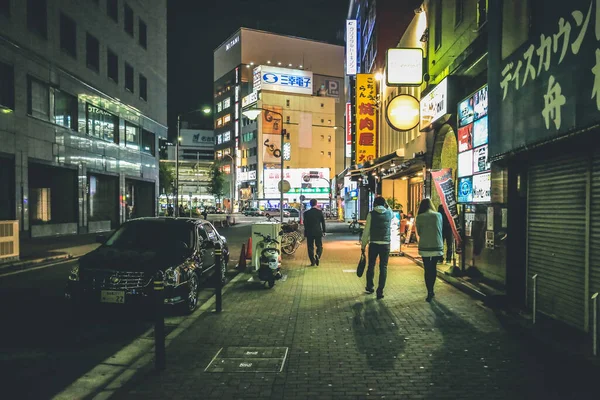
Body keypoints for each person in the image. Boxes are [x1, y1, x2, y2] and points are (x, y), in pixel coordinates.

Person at [361, 196, 392, 299]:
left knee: (371, 265)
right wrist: (387, 204)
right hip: (385, 244)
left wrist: (363, 245)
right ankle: (380, 291)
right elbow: (391, 212)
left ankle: (370, 286)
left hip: (374, 243)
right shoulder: (389, 213)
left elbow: (366, 231)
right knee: (383, 267)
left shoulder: (371, 214)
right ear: (384, 203)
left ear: (374, 203)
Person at [416, 199, 444, 302]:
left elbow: (419, 232)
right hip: (436, 245)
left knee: (427, 269)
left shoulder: (419, 217)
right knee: (433, 267)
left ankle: (429, 291)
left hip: (425, 246)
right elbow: (440, 229)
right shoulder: (438, 215)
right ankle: (432, 289)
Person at [303, 199, 326, 266]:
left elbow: (305, 224)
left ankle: (312, 261)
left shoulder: (306, 213)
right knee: (319, 246)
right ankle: (318, 255)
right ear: (316, 203)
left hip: (309, 232)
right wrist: (324, 231)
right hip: (318, 231)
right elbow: (323, 222)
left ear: (310, 204)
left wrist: (306, 232)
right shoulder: (319, 212)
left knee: (310, 247)